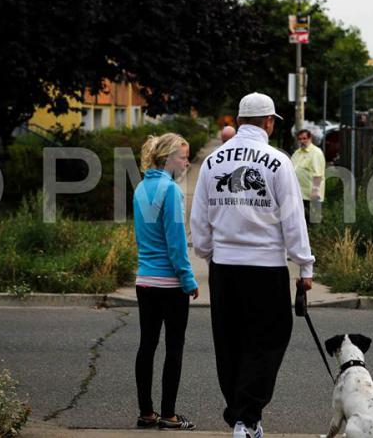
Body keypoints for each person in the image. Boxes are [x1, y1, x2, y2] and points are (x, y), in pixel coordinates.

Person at [190, 92, 315, 438]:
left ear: (241, 120)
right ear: (269, 122)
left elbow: (199, 220)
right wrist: (304, 266)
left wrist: (207, 253)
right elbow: (294, 220)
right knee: (270, 338)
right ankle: (247, 418)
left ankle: (241, 416)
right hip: (266, 268)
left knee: (230, 341)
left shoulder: (213, 162)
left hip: (225, 267)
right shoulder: (278, 161)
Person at [133, 133, 199, 431]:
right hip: (170, 285)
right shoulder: (171, 191)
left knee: (147, 345)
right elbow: (176, 245)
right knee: (174, 348)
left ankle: (146, 412)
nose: (187, 162)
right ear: (170, 158)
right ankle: (169, 415)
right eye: (184, 157)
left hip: (145, 280)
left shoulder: (140, 188)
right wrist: (188, 279)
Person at [290, 129, 326, 224]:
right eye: (300, 139)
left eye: (304, 138)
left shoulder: (316, 152)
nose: (302, 141)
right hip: (300, 193)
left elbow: (318, 174)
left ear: (310, 138)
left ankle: (317, 237)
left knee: (313, 220)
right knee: (302, 221)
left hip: (311, 194)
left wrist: (315, 191)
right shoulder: (297, 152)